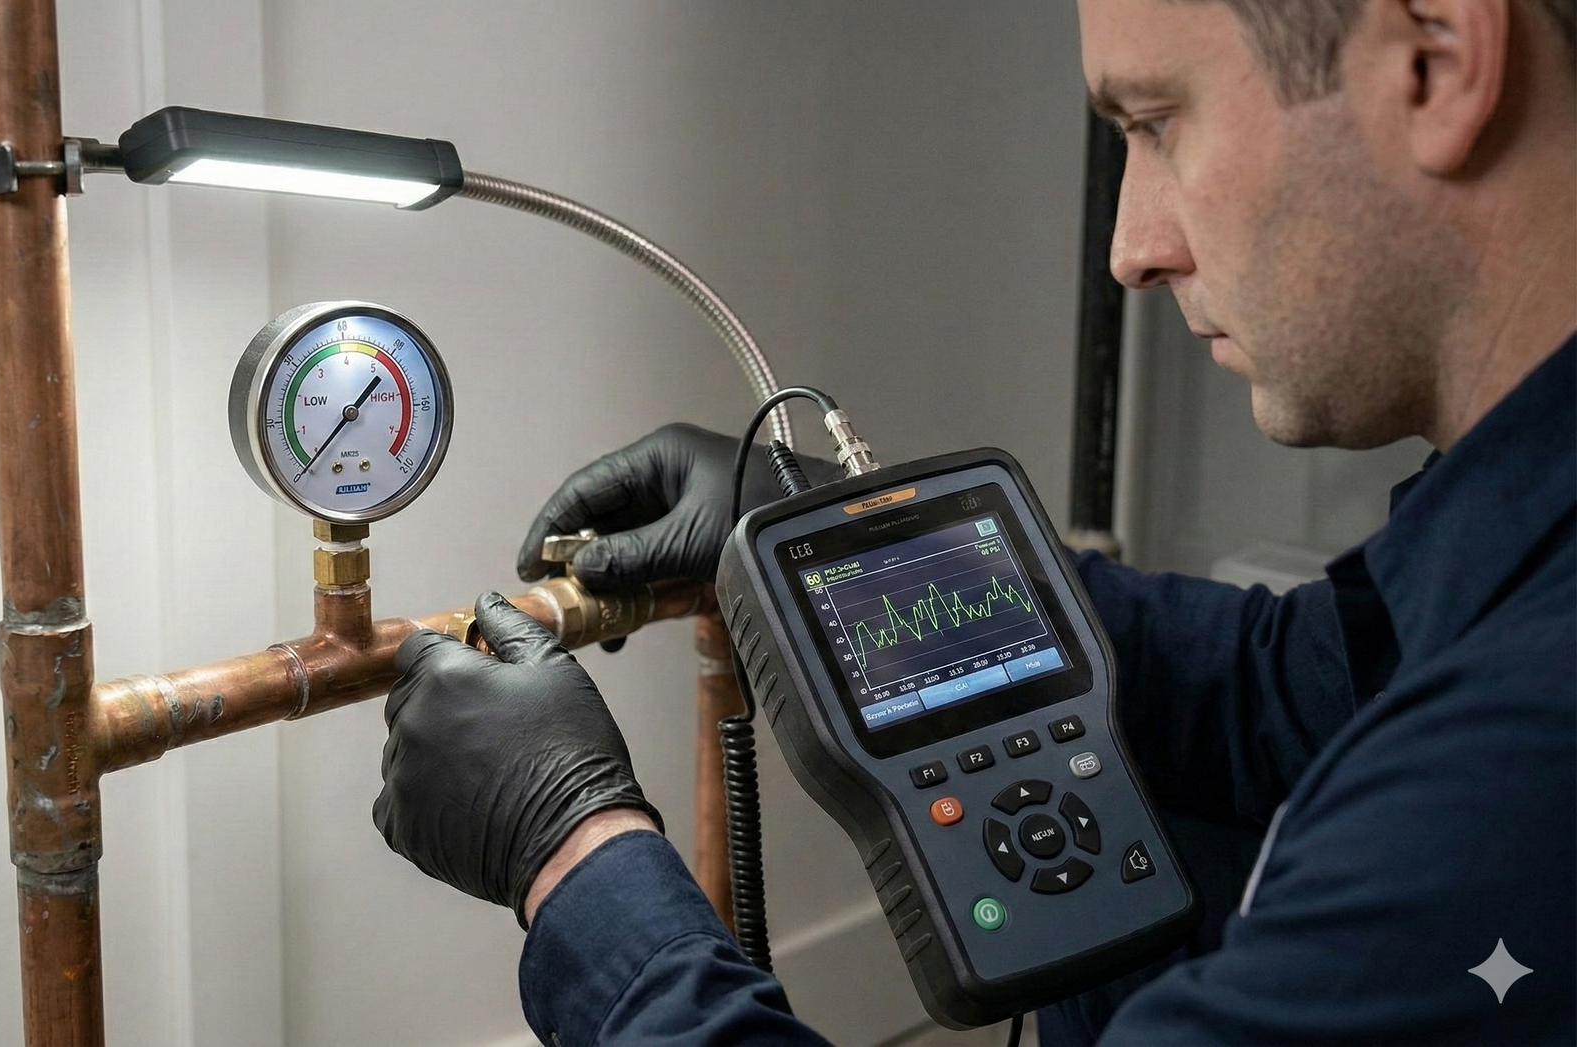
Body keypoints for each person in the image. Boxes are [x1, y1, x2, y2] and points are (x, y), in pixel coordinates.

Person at [372, 0, 1577, 1042]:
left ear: (1435, 59)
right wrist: (837, 533)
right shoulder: (1516, 565)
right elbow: (1287, 690)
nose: (1129, 252)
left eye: (1158, 122)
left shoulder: (1509, 771)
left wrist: (574, 858)